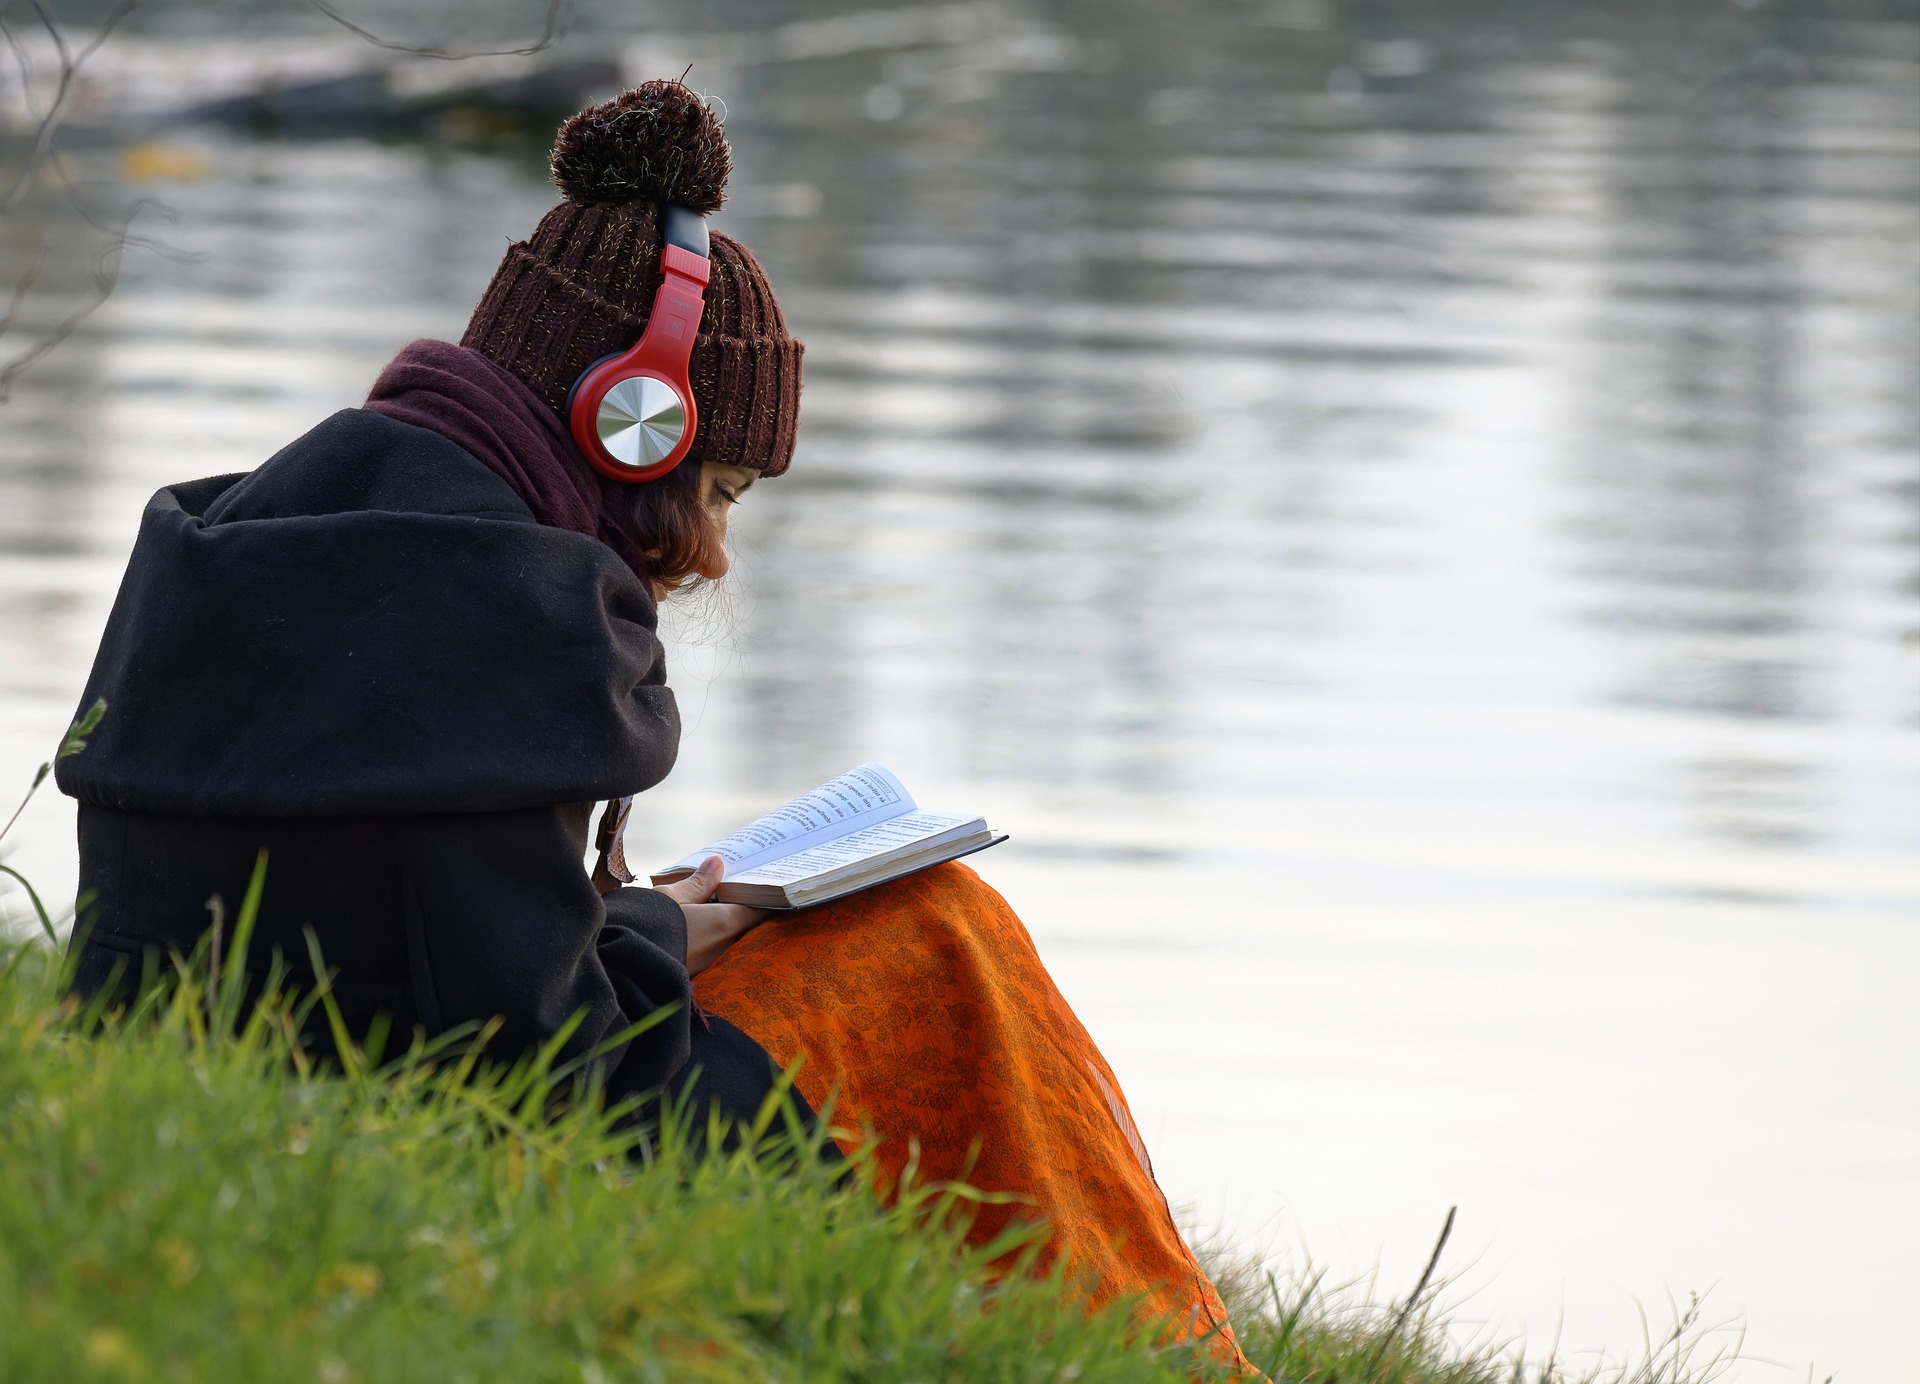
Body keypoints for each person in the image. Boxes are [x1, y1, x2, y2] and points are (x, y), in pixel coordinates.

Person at [57, 81, 1247, 1365]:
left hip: (234, 1079)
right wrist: (653, 927)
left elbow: (408, 937)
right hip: (438, 1138)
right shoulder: (499, 604)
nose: (720, 553)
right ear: (630, 422)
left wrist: (645, 919)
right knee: (937, 930)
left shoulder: (252, 517)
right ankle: (1156, 1347)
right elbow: (539, 1068)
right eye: (722, 491)